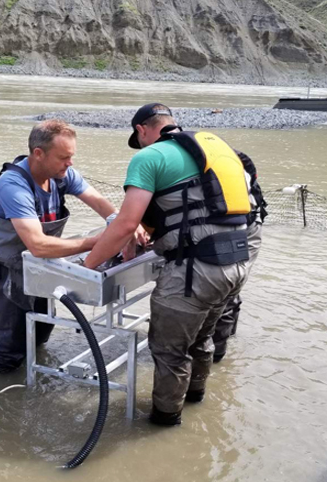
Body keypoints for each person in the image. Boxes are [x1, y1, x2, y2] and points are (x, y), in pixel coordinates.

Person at [83, 103, 263, 426]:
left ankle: (165, 423)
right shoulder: (212, 145)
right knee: (200, 340)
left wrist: (88, 266)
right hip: (237, 262)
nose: (140, 146)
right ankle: (196, 401)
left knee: (169, 351)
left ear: (142, 131)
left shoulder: (148, 157)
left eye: (138, 140)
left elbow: (125, 224)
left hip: (197, 272)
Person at [0, 119, 128, 373]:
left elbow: (103, 205)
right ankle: (1, 395)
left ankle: (33, 380)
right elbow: (38, 245)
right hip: (6, 269)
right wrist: (100, 242)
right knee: (10, 344)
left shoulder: (62, 175)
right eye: (63, 157)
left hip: (40, 269)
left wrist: (124, 225)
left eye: (71, 157)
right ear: (38, 153)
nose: (69, 164)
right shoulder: (13, 186)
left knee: (41, 331)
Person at [211, 151, 267, 362]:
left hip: (245, 230)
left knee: (228, 289)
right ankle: (225, 336)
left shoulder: (232, 168)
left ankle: (217, 355)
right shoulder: (225, 163)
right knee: (229, 287)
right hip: (235, 228)